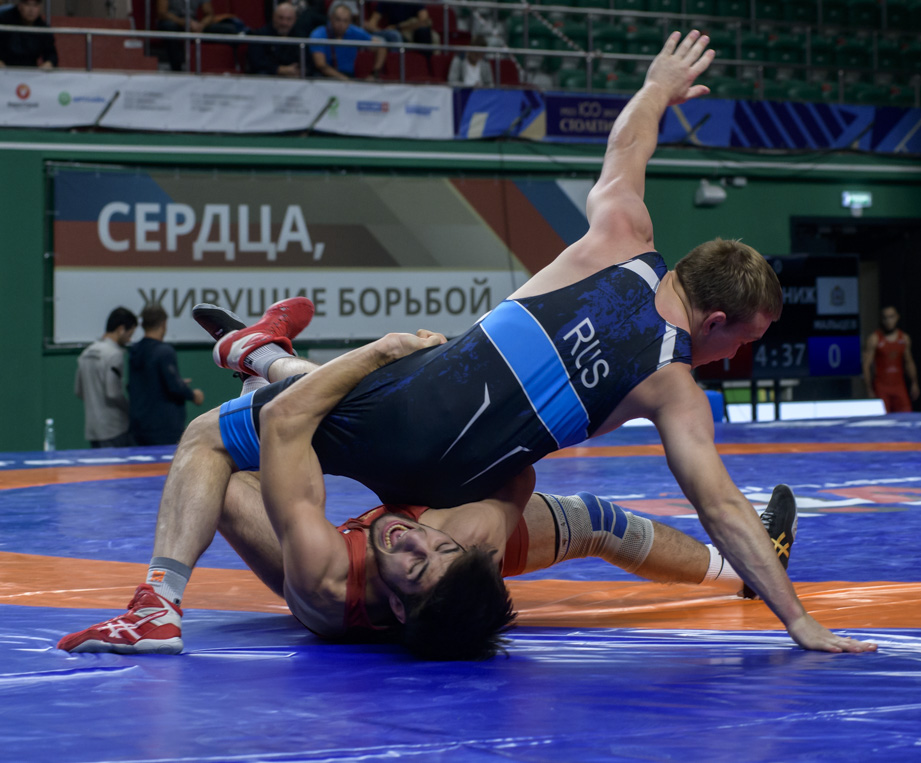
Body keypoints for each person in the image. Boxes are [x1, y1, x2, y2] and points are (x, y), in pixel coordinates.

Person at [64, 32, 875, 658]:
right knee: (576, 511)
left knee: (216, 436)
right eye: (740, 344)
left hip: (403, 414)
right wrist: (798, 620)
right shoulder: (672, 385)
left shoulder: (620, 235)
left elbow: (628, 146)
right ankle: (264, 358)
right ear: (719, 320)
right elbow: (719, 504)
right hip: (464, 490)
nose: (731, 359)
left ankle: (161, 598)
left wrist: (657, 89)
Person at [59, 320, 800, 659]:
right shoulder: (462, 543)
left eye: (417, 557)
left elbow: (288, 423)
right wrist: (452, 485)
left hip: (314, 573)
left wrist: (382, 351)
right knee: (593, 520)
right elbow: (520, 475)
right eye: (433, 545)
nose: (409, 536)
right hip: (444, 544)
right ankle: (743, 568)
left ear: (399, 604)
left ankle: (159, 601)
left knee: (214, 444)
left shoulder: (320, 566)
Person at [127, 304, 204, 446]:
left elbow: (149, 382)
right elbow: (174, 386)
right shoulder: (164, 351)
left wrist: (177, 382)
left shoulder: (135, 350)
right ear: (164, 323)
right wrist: (193, 395)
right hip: (163, 429)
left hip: (138, 428)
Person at [74, 308, 138, 449]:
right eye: (129, 334)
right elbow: (113, 393)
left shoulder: (85, 353)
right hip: (114, 428)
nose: (129, 340)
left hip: (93, 429)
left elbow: (78, 391)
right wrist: (130, 410)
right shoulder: (114, 354)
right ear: (121, 329)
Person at [156, 0, 245, 72]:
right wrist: (184, 22)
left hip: (195, 24)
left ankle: (231, 68)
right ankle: (176, 69)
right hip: (174, 21)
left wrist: (201, 25)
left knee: (229, 29)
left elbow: (209, 14)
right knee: (169, 27)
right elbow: (162, 13)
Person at [863, 305, 919, 413]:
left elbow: (909, 362)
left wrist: (914, 382)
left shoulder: (904, 338)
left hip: (899, 387)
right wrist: (869, 389)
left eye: (891, 317)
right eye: (885, 318)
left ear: (897, 317)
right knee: (883, 420)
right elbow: (866, 366)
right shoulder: (874, 339)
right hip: (881, 387)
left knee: (906, 416)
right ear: (881, 319)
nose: (888, 321)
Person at [310, 2, 387, 81]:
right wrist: (345, 80)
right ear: (331, 18)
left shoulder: (354, 31)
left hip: (349, 76)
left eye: (345, 21)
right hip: (325, 77)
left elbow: (381, 47)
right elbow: (321, 65)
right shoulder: (318, 34)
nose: (341, 24)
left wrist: (374, 74)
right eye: (338, 19)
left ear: (350, 22)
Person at [247, 2, 310, 77]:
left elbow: (308, 63)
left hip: (295, 77)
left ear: (295, 20)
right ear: (273, 17)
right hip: (268, 77)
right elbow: (256, 62)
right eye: (280, 18)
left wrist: (299, 70)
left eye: (289, 19)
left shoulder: (300, 37)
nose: (284, 23)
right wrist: (279, 69)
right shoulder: (260, 35)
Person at [0, 0, 58, 69]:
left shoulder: (42, 28)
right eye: (27, 4)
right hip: (5, 69)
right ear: (20, 6)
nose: (31, 10)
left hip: (30, 70)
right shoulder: (4, 22)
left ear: (40, 8)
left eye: (35, 5)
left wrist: (49, 63)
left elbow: (51, 54)